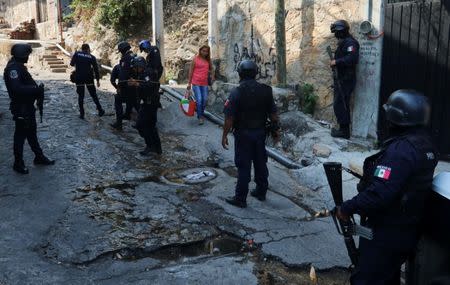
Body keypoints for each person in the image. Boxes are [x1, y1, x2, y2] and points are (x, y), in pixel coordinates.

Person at [336, 89, 438, 284]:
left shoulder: (401, 152)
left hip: (387, 233)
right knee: (388, 277)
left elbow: (379, 194)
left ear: (395, 118)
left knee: (365, 280)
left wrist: (347, 207)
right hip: (407, 229)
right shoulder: (426, 145)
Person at [222, 60, 280, 208]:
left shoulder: (237, 91)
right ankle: (261, 191)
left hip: (243, 134)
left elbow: (229, 118)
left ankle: (240, 198)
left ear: (240, 74)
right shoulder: (266, 90)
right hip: (260, 133)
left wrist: (224, 135)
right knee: (261, 162)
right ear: (256, 73)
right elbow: (274, 115)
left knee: (243, 165)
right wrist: (276, 132)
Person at [3, 43, 55, 174]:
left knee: (32, 133)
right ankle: (18, 163)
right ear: (21, 55)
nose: (28, 57)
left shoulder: (18, 66)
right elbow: (17, 88)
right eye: (26, 55)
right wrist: (35, 89)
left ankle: (39, 156)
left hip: (27, 107)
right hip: (21, 108)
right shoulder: (13, 69)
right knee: (20, 136)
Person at [329, 20, 359, 139]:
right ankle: (343, 129)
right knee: (340, 104)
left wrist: (336, 61)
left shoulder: (351, 43)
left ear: (341, 32)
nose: (335, 35)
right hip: (341, 78)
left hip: (346, 79)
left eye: (336, 32)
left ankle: (344, 132)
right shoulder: (344, 42)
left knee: (340, 104)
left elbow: (352, 59)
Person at [130, 56, 162, 156]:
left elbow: (150, 86)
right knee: (149, 126)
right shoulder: (142, 73)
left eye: (136, 67)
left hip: (151, 103)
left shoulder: (148, 73)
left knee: (143, 125)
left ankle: (151, 146)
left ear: (140, 66)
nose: (135, 70)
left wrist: (137, 84)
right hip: (146, 103)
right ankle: (155, 147)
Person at [70, 43, 105, 119]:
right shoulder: (91, 57)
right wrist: (98, 80)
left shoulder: (77, 54)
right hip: (89, 77)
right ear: (88, 49)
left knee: (81, 96)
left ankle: (82, 114)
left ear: (82, 49)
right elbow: (96, 69)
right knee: (93, 95)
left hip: (79, 78)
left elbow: (72, 64)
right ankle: (100, 110)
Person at [187, 45, 215, 125]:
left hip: (204, 83)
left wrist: (213, 76)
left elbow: (212, 69)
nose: (205, 53)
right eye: (203, 51)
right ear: (200, 50)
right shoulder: (195, 59)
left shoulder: (208, 60)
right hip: (195, 82)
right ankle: (200, 117)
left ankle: (200, 113)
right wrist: (189, 83)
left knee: (205, 100)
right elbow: (191, 71)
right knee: (199, 100)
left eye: (206, 51)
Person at [117, 41, 138, 122]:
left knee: (118, 100)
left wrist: (119, 85)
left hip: (127, 83)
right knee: (131, 100)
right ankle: (127, 114)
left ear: (122, 50)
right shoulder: (133, 56)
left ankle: (118, 123)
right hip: (134, 82)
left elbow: (123, 74)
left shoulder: (125, 58)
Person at [109, 63, 124, 130]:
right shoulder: (134, 64)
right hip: (134, 88)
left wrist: (117, 87)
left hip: (122, 89)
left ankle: (119, 124)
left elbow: (112, 80)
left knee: (118, 103)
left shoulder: (117, 67)